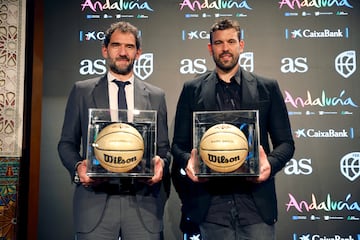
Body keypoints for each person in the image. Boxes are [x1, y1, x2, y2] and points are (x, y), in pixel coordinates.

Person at [171, 18, 295, 240]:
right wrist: (188, 161)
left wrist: (270, 164)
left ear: (241, 45)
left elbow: (286, 143)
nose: (225, 48)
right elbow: (178, 145)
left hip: (256, 207)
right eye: (218, 43)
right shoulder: (192, 89)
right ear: (210, 48)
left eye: (231, 41)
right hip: (211, 209)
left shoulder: (267, 87)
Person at [58, 21, 171, 240]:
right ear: (105, 50)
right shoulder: (82, 91)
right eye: (116, 45)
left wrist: (161, 165)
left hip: (143, 204)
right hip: (95, 202)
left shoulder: (156, 96)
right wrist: (78, 167)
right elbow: (66, 144)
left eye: (129, 47)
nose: (122, 52)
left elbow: (164, 149)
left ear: (138, 53)